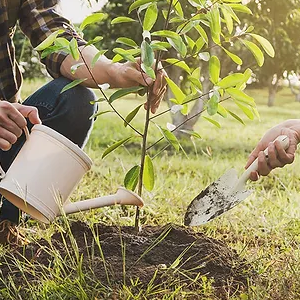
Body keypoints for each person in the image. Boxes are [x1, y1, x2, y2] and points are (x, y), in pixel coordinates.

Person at [0, 0, 167, 245]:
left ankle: (7, 221)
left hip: (8, 129)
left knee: (76, 99)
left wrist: (115, 71)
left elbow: (55, 34)